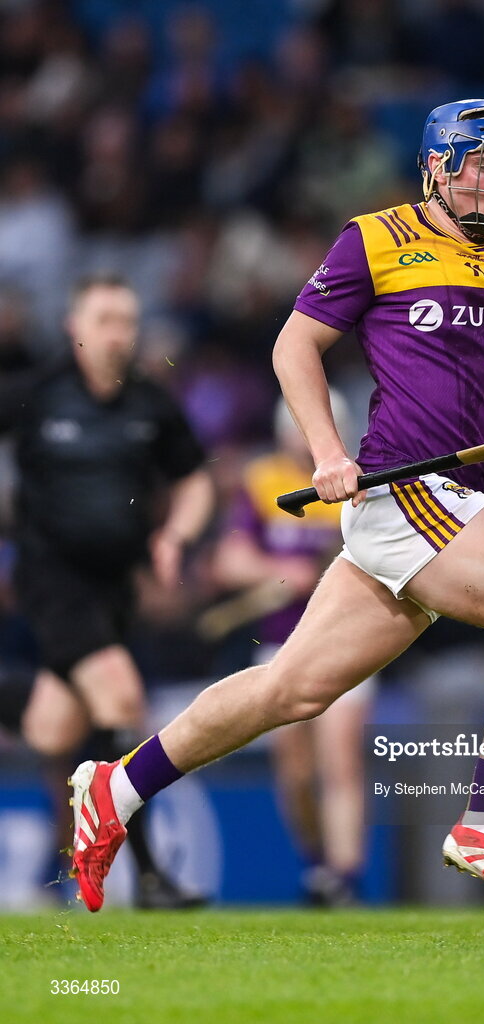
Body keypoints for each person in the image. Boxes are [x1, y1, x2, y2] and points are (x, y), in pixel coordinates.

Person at [68, 99, 484, 911]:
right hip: (404, 492)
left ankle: (115, 792)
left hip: (453, 500)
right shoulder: (376, 239)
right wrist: (327, 451)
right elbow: (293, 345)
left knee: (289, 689)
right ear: (438, 166)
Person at [0, 273, 214, 908]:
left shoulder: (151, 401)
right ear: (75, 327)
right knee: (122, 703)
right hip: (51, 581)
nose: (118, 333)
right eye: (104, 320)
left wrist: (175, 535)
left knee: (57, 728)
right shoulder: (36, 392)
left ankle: (94, 870)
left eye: (126, 320)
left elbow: (195, 478)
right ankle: (149, 879)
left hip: (117, 590)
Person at [211, 393, 372, 905]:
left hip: (349, 642)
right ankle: (317, 863)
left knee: (341, 761)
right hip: (282, 643)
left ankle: (345, 879)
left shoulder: (360, 484)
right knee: (296, 772)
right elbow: (228, 561)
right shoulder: (264, 482)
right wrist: (277, 573)